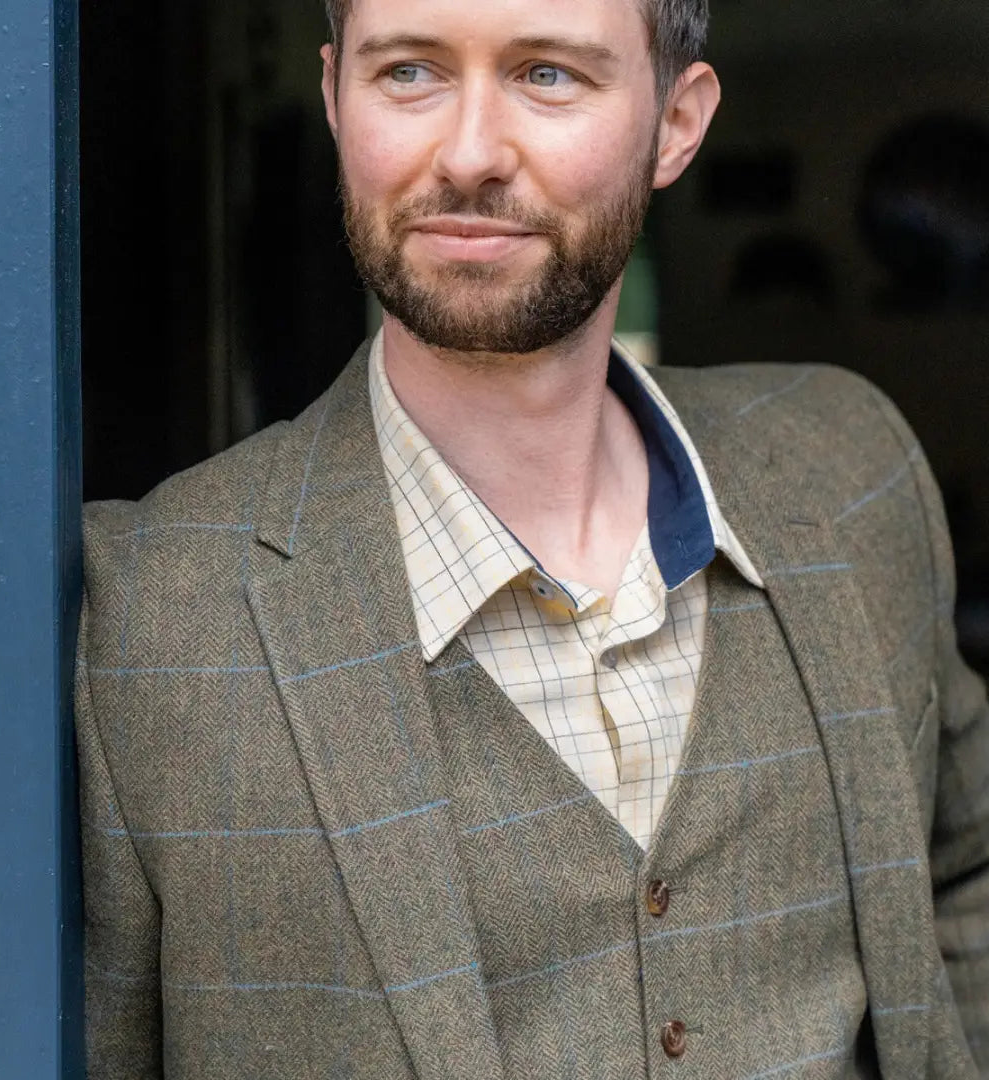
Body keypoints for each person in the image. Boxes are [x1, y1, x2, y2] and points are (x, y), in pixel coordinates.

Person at [75, 0, 989, 1075]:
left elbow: (964, 867)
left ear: (678, 125)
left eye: (548, 74)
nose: (467, 153)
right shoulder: (148, 611)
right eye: (408, 72)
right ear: (332, 98)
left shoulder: (851, 469)